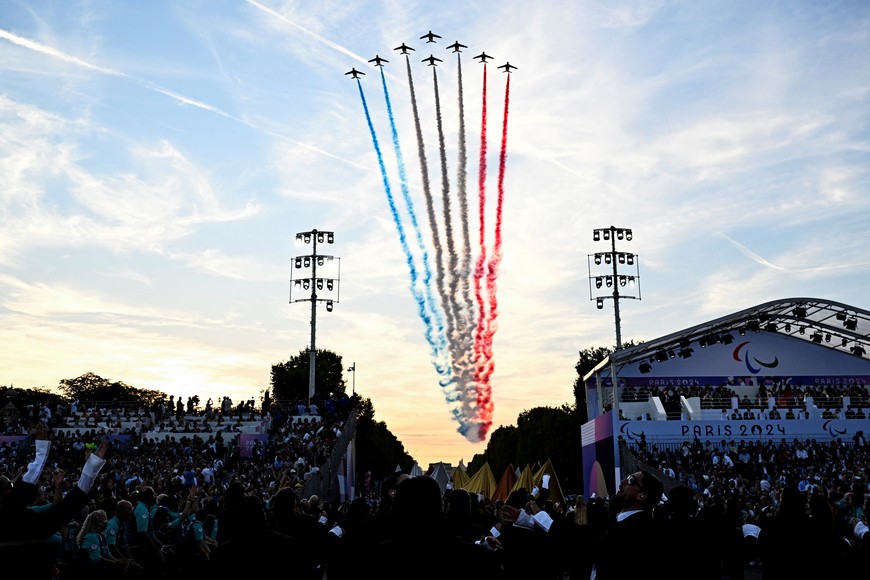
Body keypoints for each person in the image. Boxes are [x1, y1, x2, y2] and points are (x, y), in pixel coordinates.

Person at [0, 425, 110, 580]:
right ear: (5, 494)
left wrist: (41, 455)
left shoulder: (23, 518)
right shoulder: (24, 522)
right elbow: (65, 509)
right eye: (11, 485)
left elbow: (59, 508)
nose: (15, 483)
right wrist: (90, 469)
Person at [591, 470, 665, 580]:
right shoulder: (613, 519)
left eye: (631, 480)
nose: (623, 481)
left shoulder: (644, 534)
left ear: (642, 495)